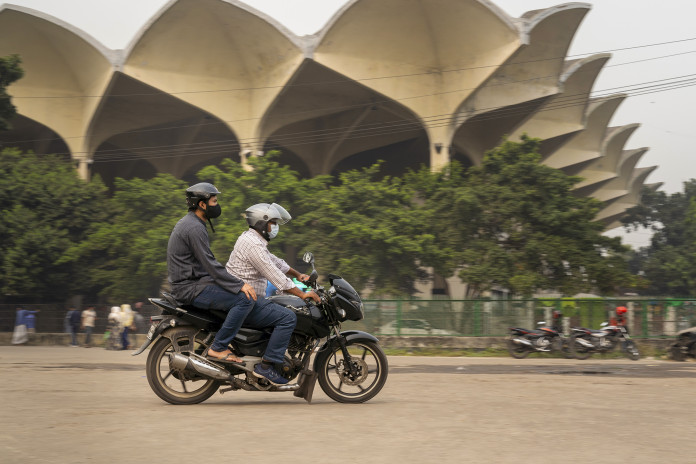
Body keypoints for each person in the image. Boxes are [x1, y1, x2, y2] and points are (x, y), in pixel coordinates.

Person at [225, 202, 320, 385]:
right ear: (263, 223)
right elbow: (273, 274)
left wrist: (297, 274)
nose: (275, 227)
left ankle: (265, 355)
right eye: (273, 223)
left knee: (278, 308)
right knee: (288, 318)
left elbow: (275, 262)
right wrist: (302, 295)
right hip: (245, 300)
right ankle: (266, 366)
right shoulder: (252, 244)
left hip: (244, 298)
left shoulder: (254, 240)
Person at [167, 182, 257, 366]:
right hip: (190, 288)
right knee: (244, 299)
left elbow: (208, 266)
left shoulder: (193, 223)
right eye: (214, 201)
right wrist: (239, 284)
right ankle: (219, 347)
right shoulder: (194, 228)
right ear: (202, 204)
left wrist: (231, 281)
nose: (217, 205)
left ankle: (217, 343)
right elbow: (211, 265)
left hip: (192, 283)